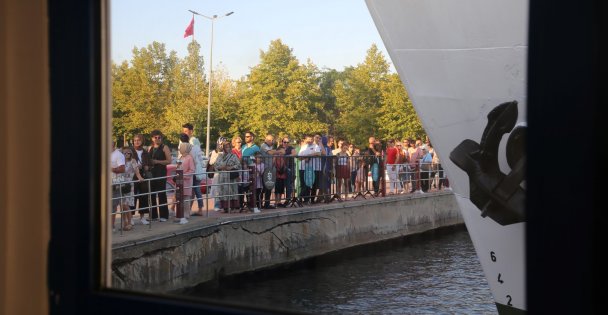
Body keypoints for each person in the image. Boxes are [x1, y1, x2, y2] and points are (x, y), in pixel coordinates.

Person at [148, 130, 172, 221]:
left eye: (159, 137)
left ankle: (164, 215)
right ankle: (153, 215)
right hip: (152, 173)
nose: (157, 139)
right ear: (152, 138)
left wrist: (157, 161)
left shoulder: (164, 147)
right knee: (152, 194)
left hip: (161, 173)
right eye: (155, 137)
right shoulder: (150, 148)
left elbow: (169, 161)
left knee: (161, 194)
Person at [181, 123, 204, 216]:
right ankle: (189, 209)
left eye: (186, 131)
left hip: (193, 169)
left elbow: (195, 155)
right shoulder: (188, 141)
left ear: (191, 131)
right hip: (192, 168)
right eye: (184, 131)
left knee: (195, 189)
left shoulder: (193, 141)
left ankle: (199, 209)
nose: (185, 133)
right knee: (192, 190)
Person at [214, 139, 241, 213]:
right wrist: (220, 167)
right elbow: (215, 165)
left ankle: (233, 207)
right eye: (226, 147)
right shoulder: (219, 156)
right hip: (222, 177)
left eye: (229, 147)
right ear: (223, 148)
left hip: (231, 176)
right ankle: (224, 207)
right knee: (223, 192)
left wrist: (231, 167)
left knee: (232, 191)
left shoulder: (233, 156)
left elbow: (238, 165)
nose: (227, 148)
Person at [122, 146, 144, 229]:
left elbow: (137, 172)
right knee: (122, 205)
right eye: (125, 153)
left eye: (128, 152)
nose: (127, 154)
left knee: (126, 204)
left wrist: (140, 177)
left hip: (128, 185)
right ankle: (124, 223)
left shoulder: (133, 161)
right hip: (121, 184)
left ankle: (130, 222)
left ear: (131, 153)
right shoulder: (121, 161)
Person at [132, 134, 152, 224]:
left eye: (138, 140)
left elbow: (150, 164)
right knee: (133, 196)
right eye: (135, 140)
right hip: (133, 176)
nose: (136, 142)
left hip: (143, 175)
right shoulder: (130, 151)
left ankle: (142, 217)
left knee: (144, 196)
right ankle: (130, 217)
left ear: (142, 141)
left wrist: (147, 167)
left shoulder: (145, 152)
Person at [177, 141, 195, 224]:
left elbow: (192, 170)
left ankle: (186, 214)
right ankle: (180, 214)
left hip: (187, 181)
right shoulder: (181, 157)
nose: (180, 149)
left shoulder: (189, 158)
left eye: (181, 147)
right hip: (180, 181)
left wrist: (183, 175)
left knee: (186, 198)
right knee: (180, 198)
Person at [110, 140, 126, 232]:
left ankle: (111, 226)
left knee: (112, 205)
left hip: (115, 183)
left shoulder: (118, 155)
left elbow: (122, 169)